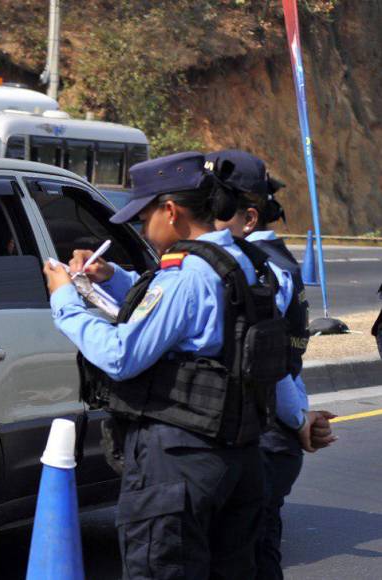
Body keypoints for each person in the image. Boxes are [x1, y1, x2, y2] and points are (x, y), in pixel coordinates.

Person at [43, 151, 288, 579]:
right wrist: (112, 276)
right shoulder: (245, 261)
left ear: (171, 211)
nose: (140, 228)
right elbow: (185, 315)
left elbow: (122, 355)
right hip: (240, 454)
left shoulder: (186, 274)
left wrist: (64, 298)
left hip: (181, 460)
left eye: (143, 217)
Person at [209, 149, 337, 579]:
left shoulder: (260, 271)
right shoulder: (274, 262)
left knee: (249, 558)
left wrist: (299, 417)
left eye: (215, 207)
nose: (207, 218)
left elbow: (270, 363)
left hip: (267, 435)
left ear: (247, 217)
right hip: (276, 431)